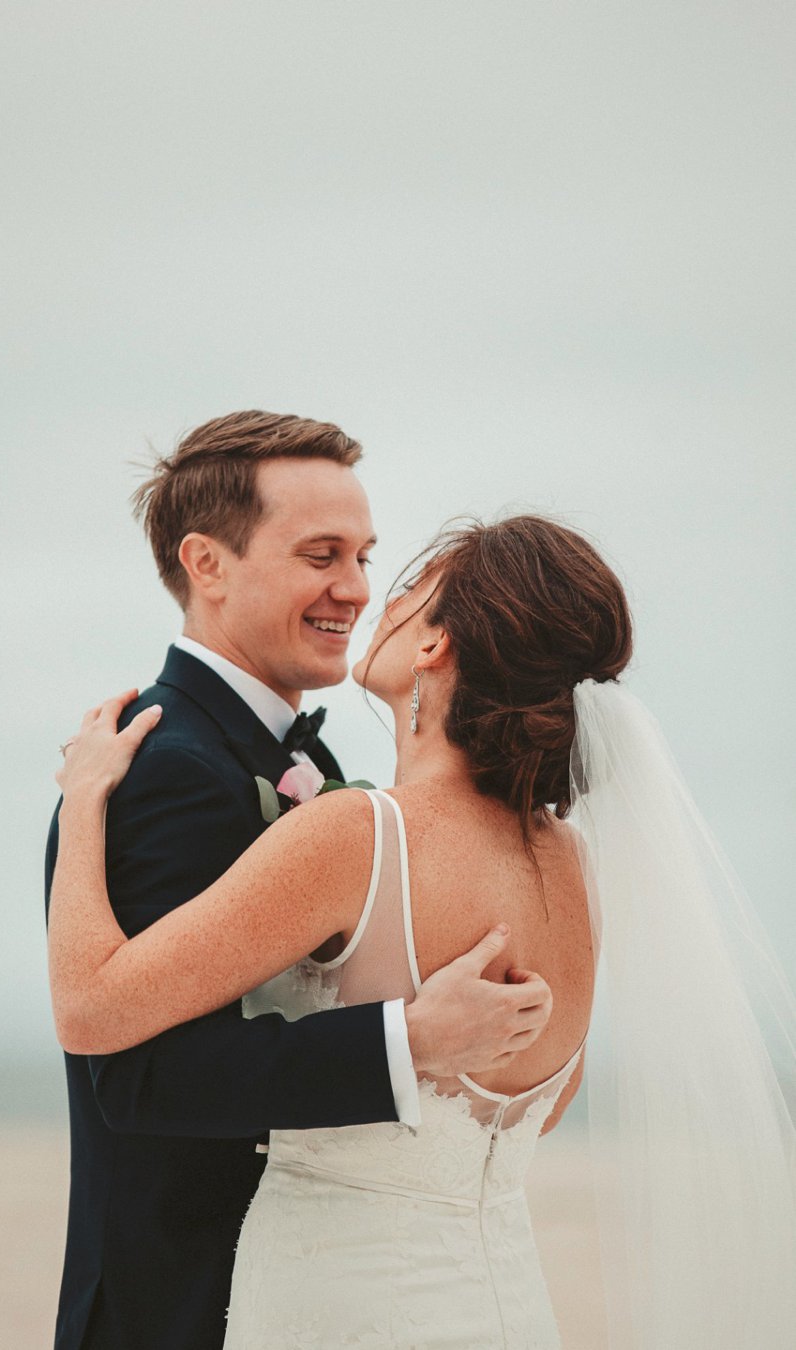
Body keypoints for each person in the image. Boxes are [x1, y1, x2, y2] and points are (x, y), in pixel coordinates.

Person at [50, 511, 796, 1348]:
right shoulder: (576, 869)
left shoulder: (358, 834)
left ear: (436, 646)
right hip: (502, 1306)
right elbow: (539, 1110)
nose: (376, 599)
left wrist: (84, 800)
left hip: (340, 1309)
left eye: (404, 586)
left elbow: (89, 1007)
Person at [44, 413, 554, 1350]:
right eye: (322, 554)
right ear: (208, 564)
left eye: (365, 556)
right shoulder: (160, 764)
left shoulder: (309, 768)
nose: (356, 589)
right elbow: (135, 1076)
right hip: (183, 1306)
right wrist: (406, 1044)